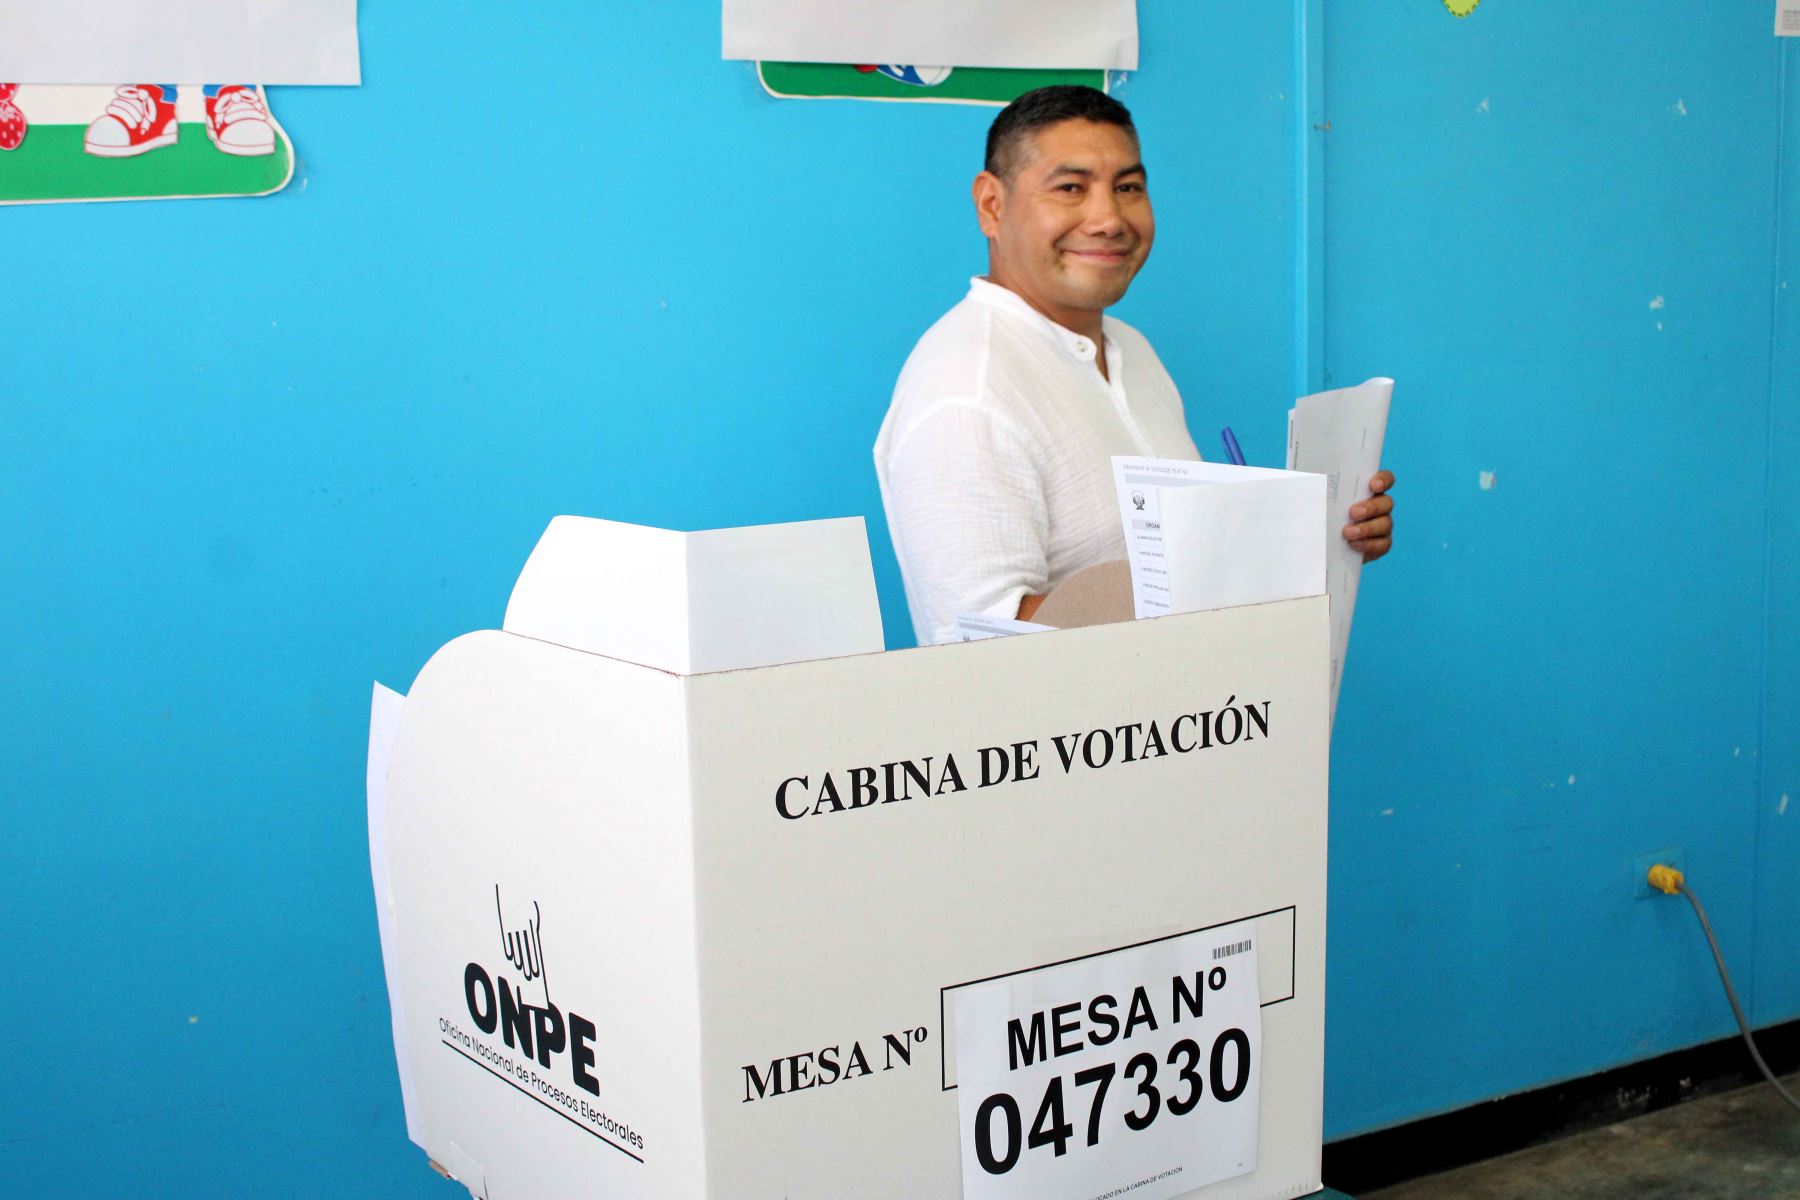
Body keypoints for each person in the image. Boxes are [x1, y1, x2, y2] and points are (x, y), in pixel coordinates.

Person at [873, 85, 1395, 646]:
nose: (1108, 218)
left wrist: (1303, 543)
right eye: (1071, 188)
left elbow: (1167, 560)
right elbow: (979, 646)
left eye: (1128, 188)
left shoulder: (1130, 350)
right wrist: (1224, 569)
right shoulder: (965, 391)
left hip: (1200, 721)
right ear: (992, 206)